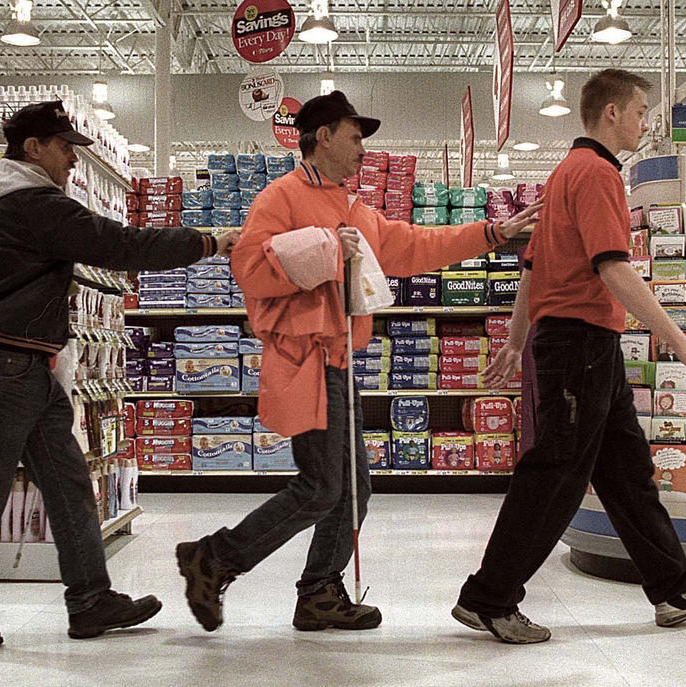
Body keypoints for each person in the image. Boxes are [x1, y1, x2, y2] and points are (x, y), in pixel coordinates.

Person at [175, 90, 540, 633]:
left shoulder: (352, 206)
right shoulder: (280, 196)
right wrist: (324, 247)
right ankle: (215, 558)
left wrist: (492, 234)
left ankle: (319, 591)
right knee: (323, 487)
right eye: (354, 136)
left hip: (339, 361)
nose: (362, 149)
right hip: (305, 359)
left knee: (352, 488)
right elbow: (249, 269)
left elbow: (415, 244)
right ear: (322, 136)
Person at [0, 101, 238, 650]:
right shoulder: (31, 205)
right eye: (65, 149)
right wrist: (207, 242)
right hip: (7, 369)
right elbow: (119, 244)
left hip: (25, 367)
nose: (73, 164)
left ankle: (90, 599)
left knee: (68, 487)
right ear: (33, 148)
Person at [453, 69, 686, 645]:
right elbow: (613, 267)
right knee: (555, 473)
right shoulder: (598, 174)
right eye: (640, 109)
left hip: (583, 346)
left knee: (626, 471)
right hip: (579, 344)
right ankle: (489, 597)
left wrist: (515, 339)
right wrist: (677, 340)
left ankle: (673, 585)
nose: (646, 121)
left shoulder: (565, 173)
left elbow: (533, 266)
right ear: (610, 112)